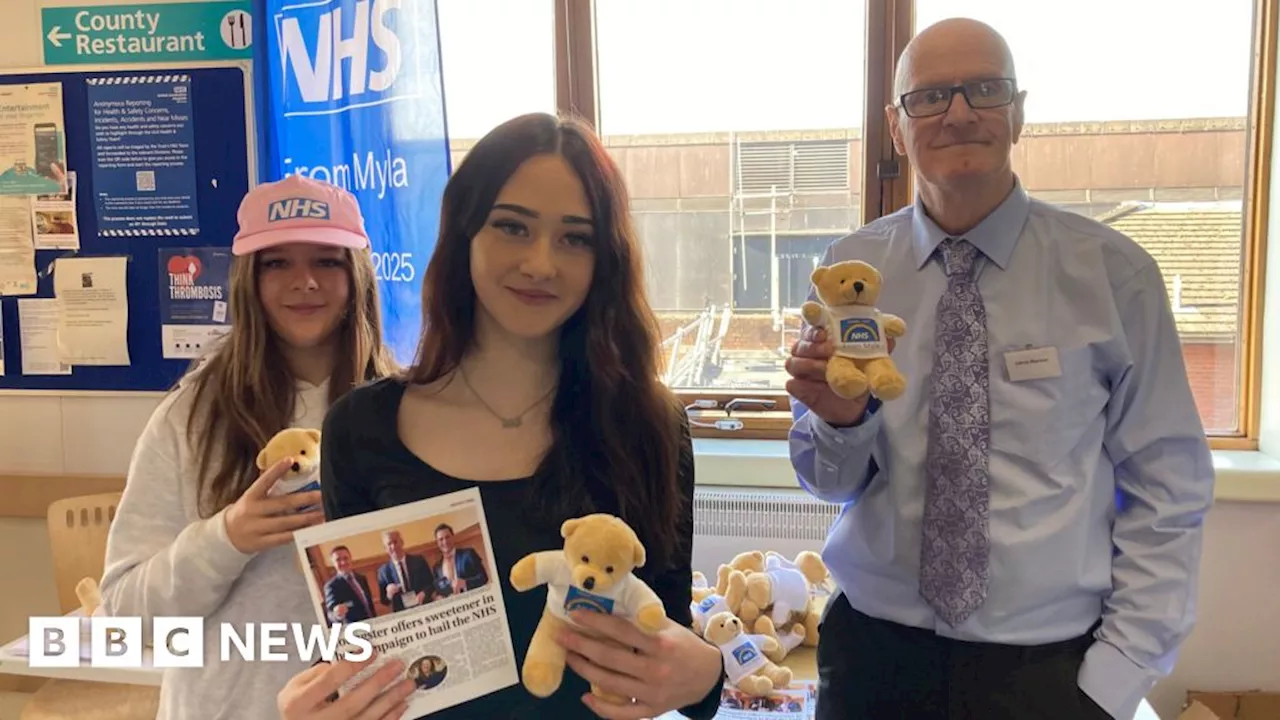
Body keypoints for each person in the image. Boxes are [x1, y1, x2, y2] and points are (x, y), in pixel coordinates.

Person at [785, 18, 1215, 720]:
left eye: (984, 90)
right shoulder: (850, 272)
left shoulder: (1113, 275)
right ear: (897, 129)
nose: (958, 113)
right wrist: (841, 422)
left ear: (1018, 113)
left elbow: (1170, 489)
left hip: (1048, 672)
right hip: (873, 662)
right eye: (928, 98)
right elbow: (826, 481)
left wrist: (1116, 676)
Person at [278, 112, 725, 720]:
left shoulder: (647, 424)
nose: (541, 263)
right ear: (465, 234)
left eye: (575, 238)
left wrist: (707, 675)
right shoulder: (361, 430)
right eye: (512, 227)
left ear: (604, 260)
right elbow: (354, 651)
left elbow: (663, 632)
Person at [99, 174, 402, 720]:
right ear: (247, 279)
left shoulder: (409, 411)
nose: (303, 281)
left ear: (356, 274)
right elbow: (125, 614)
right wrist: (228, 537)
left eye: (327, 261)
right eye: (276, 262)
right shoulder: (190, 417)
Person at [376, 529, 436, 611]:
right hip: (402, 615)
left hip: (424, 607)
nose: (393, 546)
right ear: (385, 548)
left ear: (402, 542)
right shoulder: (383, 572)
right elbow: (384, 601)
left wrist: (423, 593)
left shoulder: (419, 560)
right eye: (389, 544)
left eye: (395, 542)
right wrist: (389, 595)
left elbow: (431, 584)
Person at [431, 522, 489, 596]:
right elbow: (440, 589)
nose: (445, 542)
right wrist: (438, 596)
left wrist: (465, 583)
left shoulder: (468, 554)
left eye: (447, 537)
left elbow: (484, 577)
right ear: (437, 543)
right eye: (441, 539)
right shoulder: (436, 567)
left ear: (453, 537)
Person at [325, 545, 377, 624]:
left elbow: (369, 604)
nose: (343, 562)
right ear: (333, 563)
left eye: (345, 558)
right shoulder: (331, 586)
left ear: (351, 558)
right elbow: (330, 614)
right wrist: (337, 614)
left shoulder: (361, 578)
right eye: (338, 560)